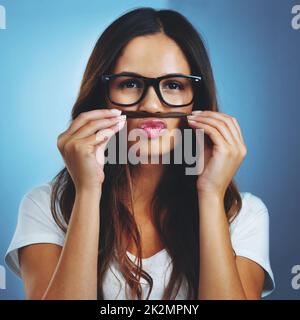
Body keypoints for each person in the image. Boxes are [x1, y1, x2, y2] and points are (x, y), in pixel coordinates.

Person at [5, 7, 275, 300]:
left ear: (198, 101)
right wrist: (87, 190)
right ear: (100, 96)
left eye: (173, 85)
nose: (153, 105)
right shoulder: (46, 206)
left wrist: (210, 194)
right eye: (130, 83)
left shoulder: (243, 215)